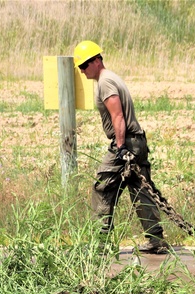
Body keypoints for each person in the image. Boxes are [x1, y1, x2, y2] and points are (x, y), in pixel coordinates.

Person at [73, 40, 171, 254]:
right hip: (137, 141)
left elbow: (117, 115)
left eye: (84, 65)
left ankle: (101, 243)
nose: (82, 71)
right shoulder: (110, 78)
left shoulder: (105, 82)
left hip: (126, 142)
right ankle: (156, 240)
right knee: (141, 190)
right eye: (80, 67)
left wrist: (120, 147)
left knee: (103, 187)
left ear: (97, 60)